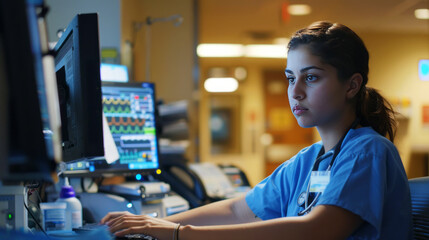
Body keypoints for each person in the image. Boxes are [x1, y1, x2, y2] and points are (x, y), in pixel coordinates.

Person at [100, 21, 413, 240]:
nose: (296, 92)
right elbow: (240, 209)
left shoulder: (369, 151)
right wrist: (153, 225)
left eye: (312, 78)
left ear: (352, 84)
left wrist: (181, 234)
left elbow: (314, 231)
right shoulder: (310, 159)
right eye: (291, 78)